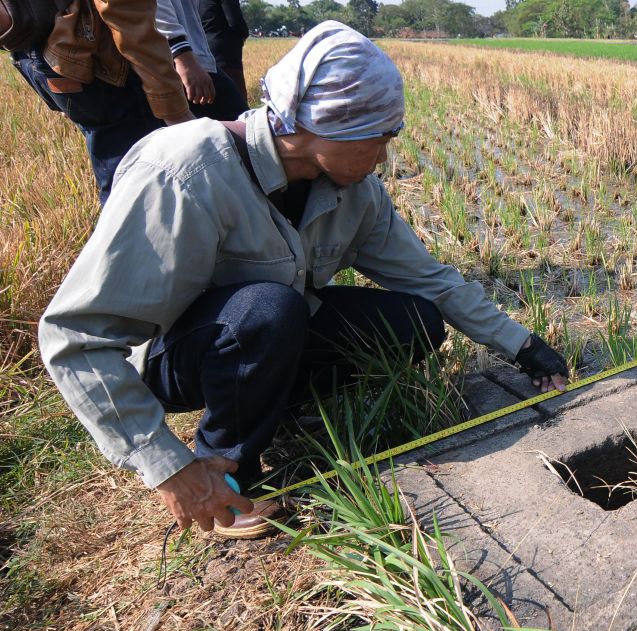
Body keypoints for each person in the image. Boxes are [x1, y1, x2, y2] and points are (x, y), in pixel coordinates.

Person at [39, 22, 569, 538]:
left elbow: (432, 280)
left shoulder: (355, 191)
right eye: (378, 138)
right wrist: (165, 466)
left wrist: (523, 347)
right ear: (324, 126)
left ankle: (287, 411)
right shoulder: (187, 171)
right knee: (268, 310)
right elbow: (76, 338)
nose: (384, 155)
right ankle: (223, 471)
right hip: (177, 356)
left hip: (267, 332)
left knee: (415, 321)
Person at [8, 0, 194, 203]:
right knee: (139, 191)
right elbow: (126, 14)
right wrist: (173, 108)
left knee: (120, 178)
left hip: (38, 51)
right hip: (93, 60)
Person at [157, 0, 247, 120]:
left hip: (198, 55)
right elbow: (235, 22)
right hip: (180, 59)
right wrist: (184, 59)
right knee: (240, 121)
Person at [199, 0, 250, 105]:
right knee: (237, 104)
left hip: (203, 51)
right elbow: (236, 22)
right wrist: (244, 34)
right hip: (226, 53)